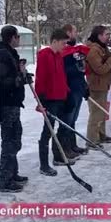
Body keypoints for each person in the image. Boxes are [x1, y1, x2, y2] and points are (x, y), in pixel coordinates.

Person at [0, 25, 29, 193]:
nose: (19, 39)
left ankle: (12, 172)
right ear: (12, 37)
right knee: (9, 141)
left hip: (13, 102)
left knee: (16, 138)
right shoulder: (2, 55)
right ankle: (5, 179)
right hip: (6, 104)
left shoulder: (9, 53)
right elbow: (4, 82)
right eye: (18, 36)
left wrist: (22, 75)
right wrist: (20, 76)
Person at [35, 29, 72, 176]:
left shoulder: (59, 55)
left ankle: (58, 155)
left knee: (60, 127)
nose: (65, 46)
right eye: (63, 43)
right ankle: (44, 164)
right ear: (55, 41)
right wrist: (41, 98)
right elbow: (41, 78)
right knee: (48, 130)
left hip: (60, 96)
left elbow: (61, 77)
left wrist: (67, 92)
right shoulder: (45, 55)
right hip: (49, 99)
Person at [58, 24, 89, 155]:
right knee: (67, 119)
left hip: (78, 87)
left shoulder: (75, 50)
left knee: (73, 119)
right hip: (69, 89)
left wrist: (84, 86)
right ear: (68, 33)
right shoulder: (63, 51)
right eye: (74, 31)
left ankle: (72, 145)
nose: (76, 34)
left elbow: (81, 70)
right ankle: (64, 148)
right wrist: (76, 67)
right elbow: (64, 71)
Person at [85, 25, 111, 149]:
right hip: (96, 85)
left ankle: (101, 134)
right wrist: (110, 60)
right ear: (99, 36)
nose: (108, 37)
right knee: (96, 113)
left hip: (103, 84)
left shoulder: (102, 48)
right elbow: (100, 69)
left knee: (103, 112)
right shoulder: (93, 50)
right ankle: (92, 139)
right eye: (106, 34)